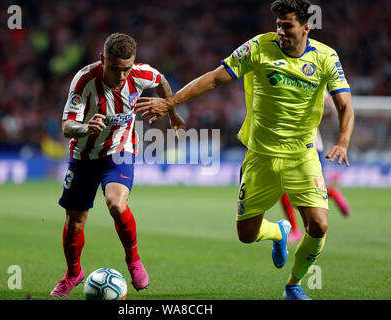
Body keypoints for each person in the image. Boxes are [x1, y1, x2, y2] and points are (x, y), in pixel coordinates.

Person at [135, 0, 354, 300]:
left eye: (287, 26)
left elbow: (344, 105)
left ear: (306, 27)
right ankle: (278, 231)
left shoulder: (326, 57)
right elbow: (214, 78)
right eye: (278, 25)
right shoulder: (258, 48)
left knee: (319, 224)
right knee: (246, 235)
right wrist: (170, 103)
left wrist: (342, 141)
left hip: (302, 156)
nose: (280, 31)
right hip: (260, 156)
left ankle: (293, 285)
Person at [50, 33, 185, 297]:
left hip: (120, 151)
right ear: (103, 60)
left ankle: (133, 259)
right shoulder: (84, 80)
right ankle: (73, 273)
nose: (122, 75)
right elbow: (67, 126)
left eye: (127, 68)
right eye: (115, 68)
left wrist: (172, 112)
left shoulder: (140, 74)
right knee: (76, 221)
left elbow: (162, 81)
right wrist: (85, 126)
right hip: (83, 156)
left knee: (116, 203)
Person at [282, 90, 351, 243]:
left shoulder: (312, 79)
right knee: (282, 186)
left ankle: (331, 192)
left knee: (313, 187)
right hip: (286, 144)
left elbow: (329, 106)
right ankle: (295, 230)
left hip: (310, 144)